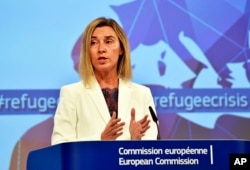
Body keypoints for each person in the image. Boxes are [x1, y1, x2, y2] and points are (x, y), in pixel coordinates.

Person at [51, 17, 158, 145]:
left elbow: (153, 146)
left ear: (121, 49)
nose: (101, 48)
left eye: (108, 41)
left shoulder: (142, 94)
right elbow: (59, 144)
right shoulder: (71, 94)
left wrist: (135, 141)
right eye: (93, 43)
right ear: (87, 51)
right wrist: (100, 139)